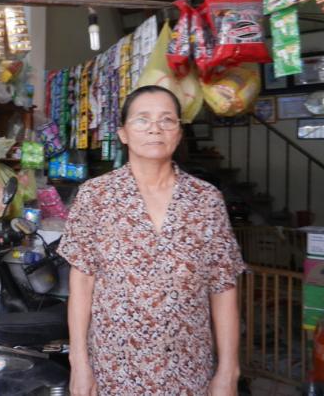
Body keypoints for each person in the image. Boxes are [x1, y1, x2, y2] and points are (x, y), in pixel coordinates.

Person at [58, 85, 246, 396]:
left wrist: (229, 369)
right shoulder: (96, 196)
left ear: (179, 133)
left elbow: (223, 287)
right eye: (142, 119)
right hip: (114, 368)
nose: (155, 128)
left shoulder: (205, 200)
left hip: (188, 368)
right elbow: (82, 282)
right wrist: (79, 363)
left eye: (167, 120)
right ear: (123, 133)